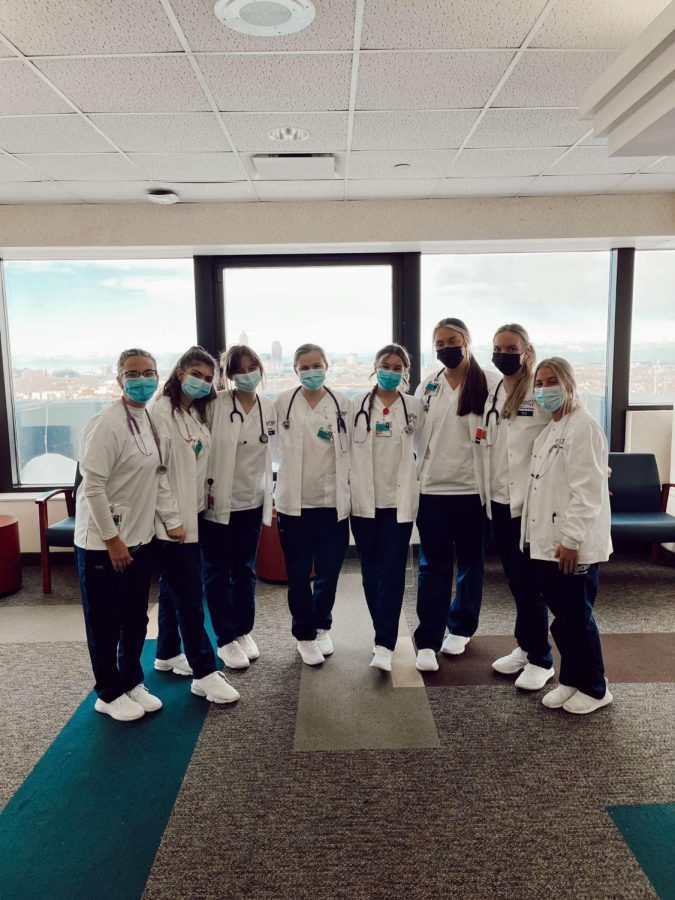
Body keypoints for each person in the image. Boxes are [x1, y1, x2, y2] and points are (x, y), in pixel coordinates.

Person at [75, 348, 184, 722]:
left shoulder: (147, 419)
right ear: (119, 378)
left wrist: (171, 522)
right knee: (105, 622)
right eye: (133, 373)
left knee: (136, 618)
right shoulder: (107, 423)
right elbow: (93, 486)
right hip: (103, 544)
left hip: (140, 538)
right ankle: (108, 692)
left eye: (149, 372)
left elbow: (158, 476)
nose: (143, 379)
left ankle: (132, 680)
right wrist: (112, 540)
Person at [522, 357, 613, 714]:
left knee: (577, 616)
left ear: (569, 383)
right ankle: (572, 678)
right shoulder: (551, 430)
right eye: (539, 383)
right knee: (563, 617)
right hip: (549, 543)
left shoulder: (582, 426)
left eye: (551, 381)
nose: (544, 389)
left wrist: (571, 540)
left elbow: (587, 490)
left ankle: (596, 686)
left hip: (571, 546)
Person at [151, 346, 240, 704]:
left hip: (193, 513)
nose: (202, 383)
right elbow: (157, 474)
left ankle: (167, 652)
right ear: (179, 374)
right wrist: (173, 521)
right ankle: (204, 673)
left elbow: (196, 463)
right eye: (196, 375)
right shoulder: (161, 413)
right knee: (190, 595)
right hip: (170, 522)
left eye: (208, 378)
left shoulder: (190, 413)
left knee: (173, 590)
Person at [413, 318, 499, 672]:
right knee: (432, 566)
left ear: (466, 341)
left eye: (452, 340)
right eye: (439, 342)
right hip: (432, 488)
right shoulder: (428, 385)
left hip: (473, 491)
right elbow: (411, 429)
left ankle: (461, 627)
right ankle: (428, 639)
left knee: (469, 562)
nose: (445, 347)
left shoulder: (491, 383)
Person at [479, 324, 554, 691]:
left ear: (526, 351)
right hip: (500, 500)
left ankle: (542, 659)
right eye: (497, 347)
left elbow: (567, 434)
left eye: (510, 347)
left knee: (532, 584)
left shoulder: (539, 392)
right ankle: (526, 646)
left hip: (532, 504)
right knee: (516, 581)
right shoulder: (494, 390)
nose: (502, 353)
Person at [274, 343, 351, 666]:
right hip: (295, 504)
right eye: (304, 367)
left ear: (327, 366)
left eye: (316, 365)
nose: (310, 371)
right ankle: (304, 634)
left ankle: (322, 625)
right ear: (295, 370)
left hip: (332, 502)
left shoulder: (342, 403)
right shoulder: (282, 403)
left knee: (330, 572)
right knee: (298, 572)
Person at [201, 345, 276, 670]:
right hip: (217, 502)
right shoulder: (216, 405)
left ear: (261, 369)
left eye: (252, 367)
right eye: (240, 370)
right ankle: (226, 638)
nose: (247, 374)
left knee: (245, 570)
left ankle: (244, 630)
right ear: (229, 375)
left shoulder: (268, 407)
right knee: (217, 572)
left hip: (251, 500)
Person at [350, 343, 422, 672]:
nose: (391, 371)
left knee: (392, 573)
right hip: (364, 502)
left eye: (398, 367)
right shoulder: (356, 407)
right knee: (370, 573)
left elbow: (428, 450)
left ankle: (384, 643)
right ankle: (383, 634)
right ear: (375, 367)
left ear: (406, 373)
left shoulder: (416, 408)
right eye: (385, 365)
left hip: (398, 504)